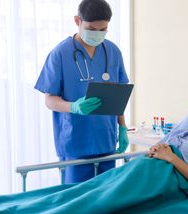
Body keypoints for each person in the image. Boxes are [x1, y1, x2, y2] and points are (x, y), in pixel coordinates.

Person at [0, 91, 188, 213]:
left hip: (162, 175)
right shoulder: (186, 133)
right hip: (146, 166)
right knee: (87, 189)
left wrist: (170, 157)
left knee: (97, 200)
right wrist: (159, 149)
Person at [34, 0, 130, 184]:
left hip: (106, 140)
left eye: (103, 29)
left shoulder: (112, 51)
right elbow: (50, 100)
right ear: (77, 20)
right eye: (92, 28)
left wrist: (123, 127)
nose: (98, 34)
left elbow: (118, 95)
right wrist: (74, 106)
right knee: (76, 202)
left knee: (105, 199)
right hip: (75, 143)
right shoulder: (60, 54)